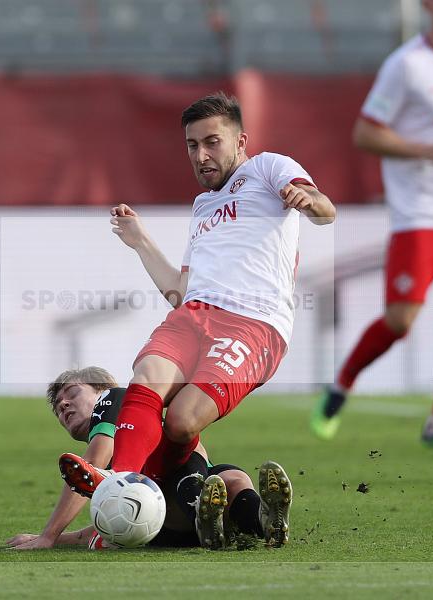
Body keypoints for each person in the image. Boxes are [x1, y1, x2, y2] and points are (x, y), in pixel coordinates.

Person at [59, 92, 332, 546]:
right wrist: (140, 241)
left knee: (183, 422)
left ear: (240, 140)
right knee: (146, 375)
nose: (201, 155)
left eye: (212, 142)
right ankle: (119, 482)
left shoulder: (267, 169)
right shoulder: (203, 208)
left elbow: (326, 210)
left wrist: (307, 199)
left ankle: (144, 488)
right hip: (194, 315)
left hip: (254, 324)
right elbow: (179, 293)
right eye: (191, 145)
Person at [311, 0, 433, 451]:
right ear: (426, 7)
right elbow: (365, 133)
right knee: (400, 321)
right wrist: (425, 149)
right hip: (419, 216)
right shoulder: (405, 66)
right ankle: (342, 384)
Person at [7, 367, 285, 550]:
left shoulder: (115, 399)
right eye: (58, 408)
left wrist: (49, 535)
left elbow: (91, 465)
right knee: (209, 479)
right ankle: (217, 522)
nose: (64, 405)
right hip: (171, 500)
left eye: (72, 394)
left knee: (232, 480)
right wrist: (53, 540)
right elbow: (103, 522)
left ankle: (262, 522)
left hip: (172, 508)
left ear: (101, 390)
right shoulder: (122, 444)